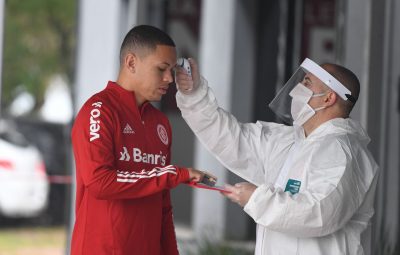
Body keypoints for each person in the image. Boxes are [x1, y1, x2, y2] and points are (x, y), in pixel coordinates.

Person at [175, 58, 379, 255]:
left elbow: (320, 213)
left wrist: (257, 199)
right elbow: (230, 138)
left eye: (307, 82)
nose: (297, 88)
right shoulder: (289, 141)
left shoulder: (343, 151)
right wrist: (194, 96)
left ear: (328, 98)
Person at [71, 25, 205, 255]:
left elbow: (163, 206)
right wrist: (175, 174)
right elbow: (100, 182)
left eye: (172, 70)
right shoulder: (99, 110)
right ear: (131, 63)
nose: (169, 79)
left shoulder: (160, 123)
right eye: (162, 69)